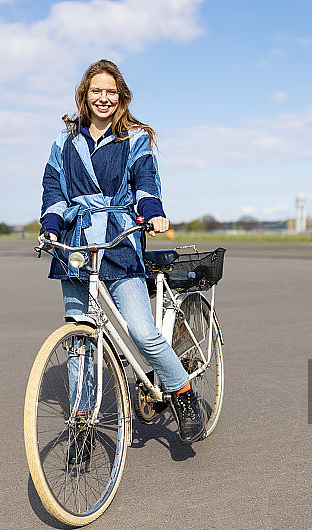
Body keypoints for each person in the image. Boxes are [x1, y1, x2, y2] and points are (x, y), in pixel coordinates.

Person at [37, 59, 204, 453]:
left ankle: (182, 393)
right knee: (80, 342)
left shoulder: (135, 138)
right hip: (76, 245)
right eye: (97, 90)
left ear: (121, 96)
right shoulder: (64, 141)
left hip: (120, 240)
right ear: (85, 94)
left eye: (111, 91)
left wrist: (153, 213)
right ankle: (81, 423)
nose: (104, 97)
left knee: (142, 333)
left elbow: (146, 181)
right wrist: (51, 226)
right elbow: (52, 188)